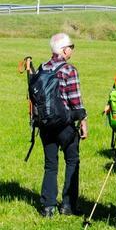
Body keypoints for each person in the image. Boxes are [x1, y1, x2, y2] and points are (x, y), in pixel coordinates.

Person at [38, 33, 88, 217]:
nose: (72, 50)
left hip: (45, 124)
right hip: (66, 125)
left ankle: (48, 206)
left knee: (50, 165)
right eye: (71, 47)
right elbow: (76, 101)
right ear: (64, 50)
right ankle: (68, 205)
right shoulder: (69, 70)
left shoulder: (42, 68)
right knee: (72, 162)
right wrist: (83, 122)